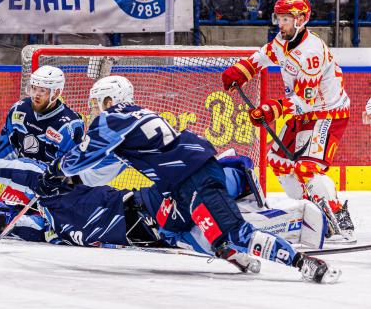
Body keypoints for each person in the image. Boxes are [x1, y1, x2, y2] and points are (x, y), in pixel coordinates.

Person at [30, 75, 340, 283]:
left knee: (237, 232)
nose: (96, 109)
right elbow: (107, 160)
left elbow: (83, 157)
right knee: (167, 222)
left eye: (99, 102)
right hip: (180, 183)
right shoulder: (140, 114)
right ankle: (225, 250)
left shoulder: (112, 118)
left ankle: (304, 263)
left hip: (195, 179)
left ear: (111, 99)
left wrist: (54, 172)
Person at [0, 149, 328, 274]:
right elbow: (29, 227)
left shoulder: (55, 191)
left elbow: (31, 173)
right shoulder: (51, 227)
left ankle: (248, 182)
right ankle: (294, 221)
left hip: (146, 207)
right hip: (162, 236)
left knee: (222, 208)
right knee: (222, 241)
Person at [222, 0, 354, 243]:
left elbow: (306, 99)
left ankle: (339, 220)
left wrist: (272, 110)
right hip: (301, 113)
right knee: (278, 162)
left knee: (308, 168)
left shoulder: (311, 53)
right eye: (279, 18)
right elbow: (262, 57)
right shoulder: (282, 41)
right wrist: (240, 71)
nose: (280, 24)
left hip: (327, 113)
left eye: (285, 19)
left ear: (301, 20)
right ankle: (313, 215)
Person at [0, 65, 84, 206]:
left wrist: (48, 188)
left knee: (28, 226)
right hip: (22, 178)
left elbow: (69, 172)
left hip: (49, 189)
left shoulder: (69, 126)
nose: (36, 95)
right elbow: (4, 147)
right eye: (33, 88)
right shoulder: (19, 110)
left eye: (42, 90)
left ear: (56, 93)